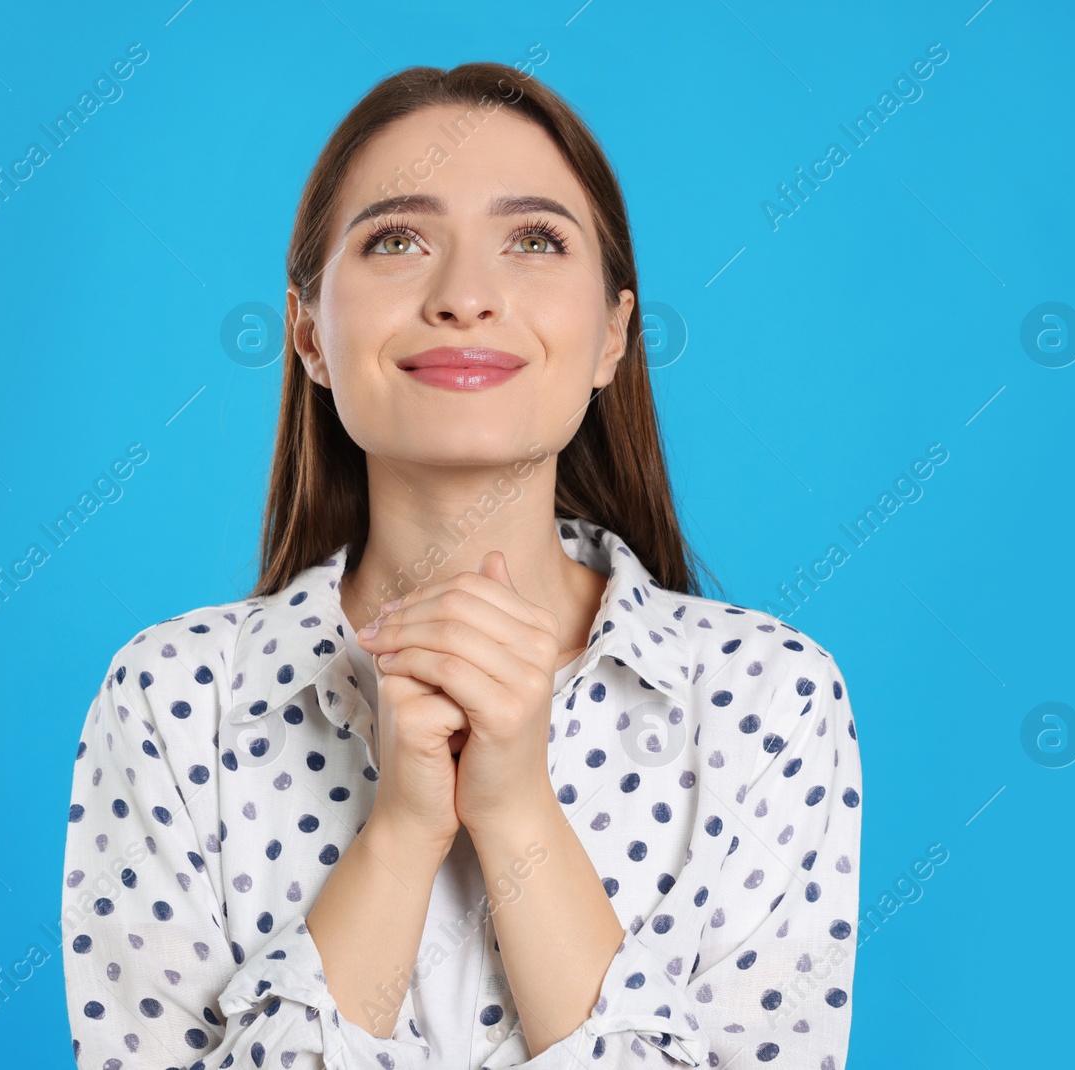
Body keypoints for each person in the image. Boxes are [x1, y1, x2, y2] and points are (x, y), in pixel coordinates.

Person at [61, 61, 861, 1070]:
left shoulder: (769, 697)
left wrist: (516, 809)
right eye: (397, 240)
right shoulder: (173, 698)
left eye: (533, 240)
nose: (466, 296)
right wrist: (398, 832)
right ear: (309, 332)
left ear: (613, 334)